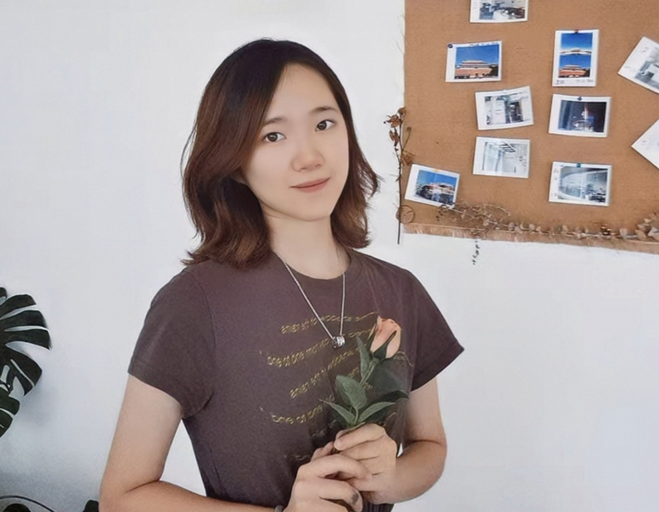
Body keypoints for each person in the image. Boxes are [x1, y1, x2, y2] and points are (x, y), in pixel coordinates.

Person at [99, 39, 463, 512]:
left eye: (324, 124)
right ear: (234, 164)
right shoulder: (195, 303)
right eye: (272, 136)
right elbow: (122, 496)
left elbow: (430, 445)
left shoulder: (400, 290)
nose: (309, 156)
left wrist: (387, 479)